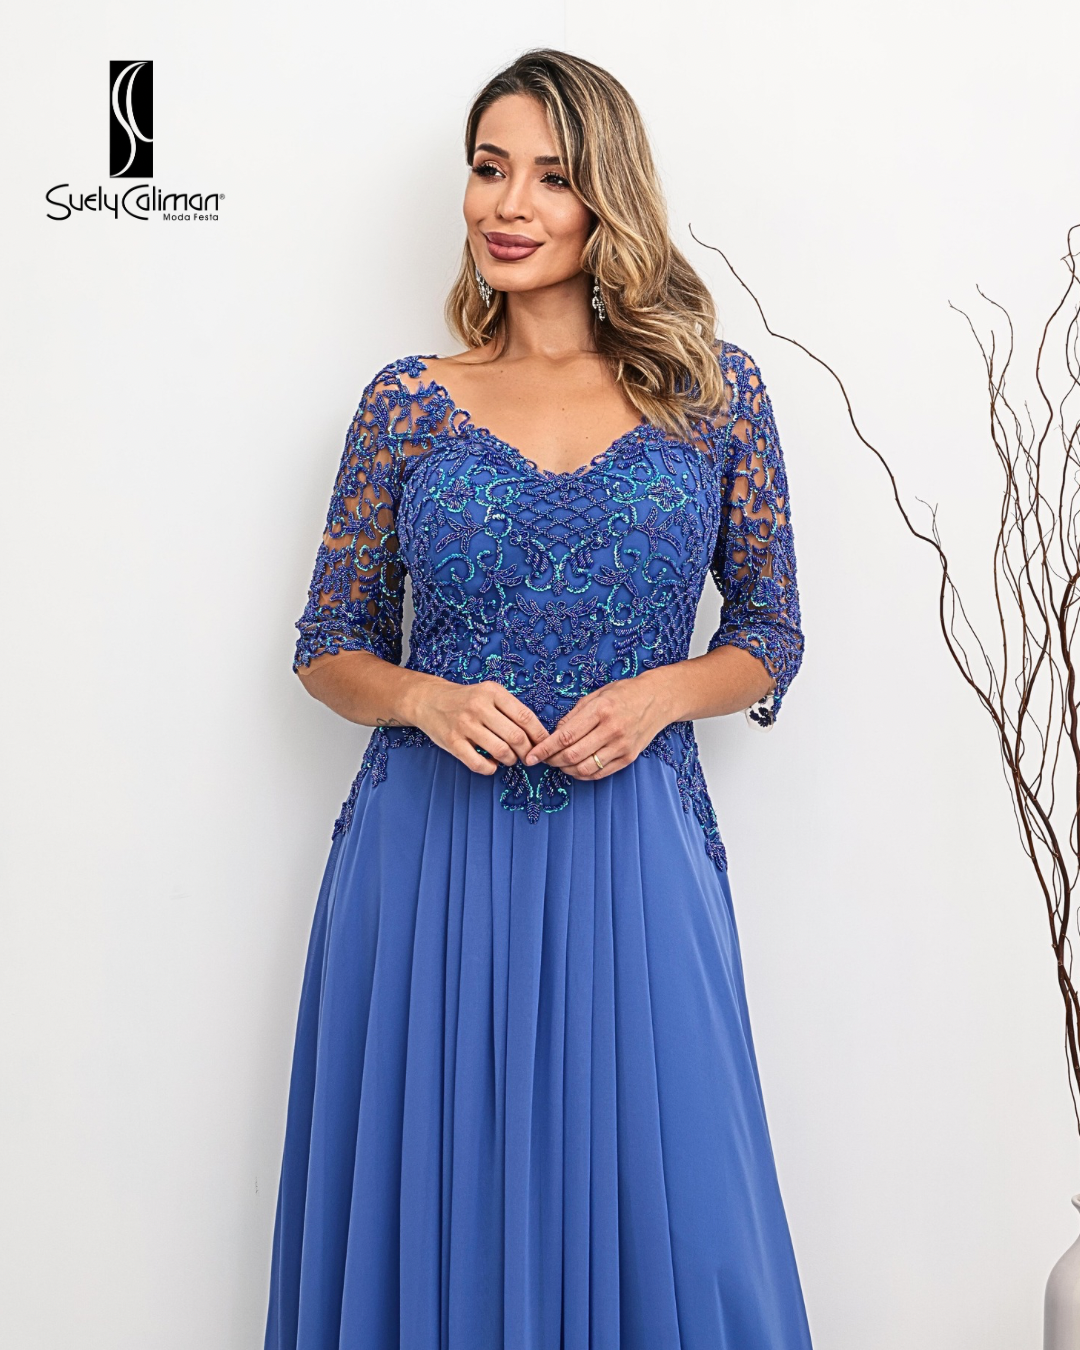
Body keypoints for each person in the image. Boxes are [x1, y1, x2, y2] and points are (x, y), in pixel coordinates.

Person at [263, 47, 813, 1350]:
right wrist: (423, 698)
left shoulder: (715, 395)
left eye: (551, 177)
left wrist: (663, 694)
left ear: (606, 197)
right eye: (489, 168)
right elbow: (328, 643)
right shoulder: (407, 405)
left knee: (678, 1213)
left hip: (638, 850)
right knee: (444, 1206)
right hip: (428, 860)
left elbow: (771, 632)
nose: (508, 204)